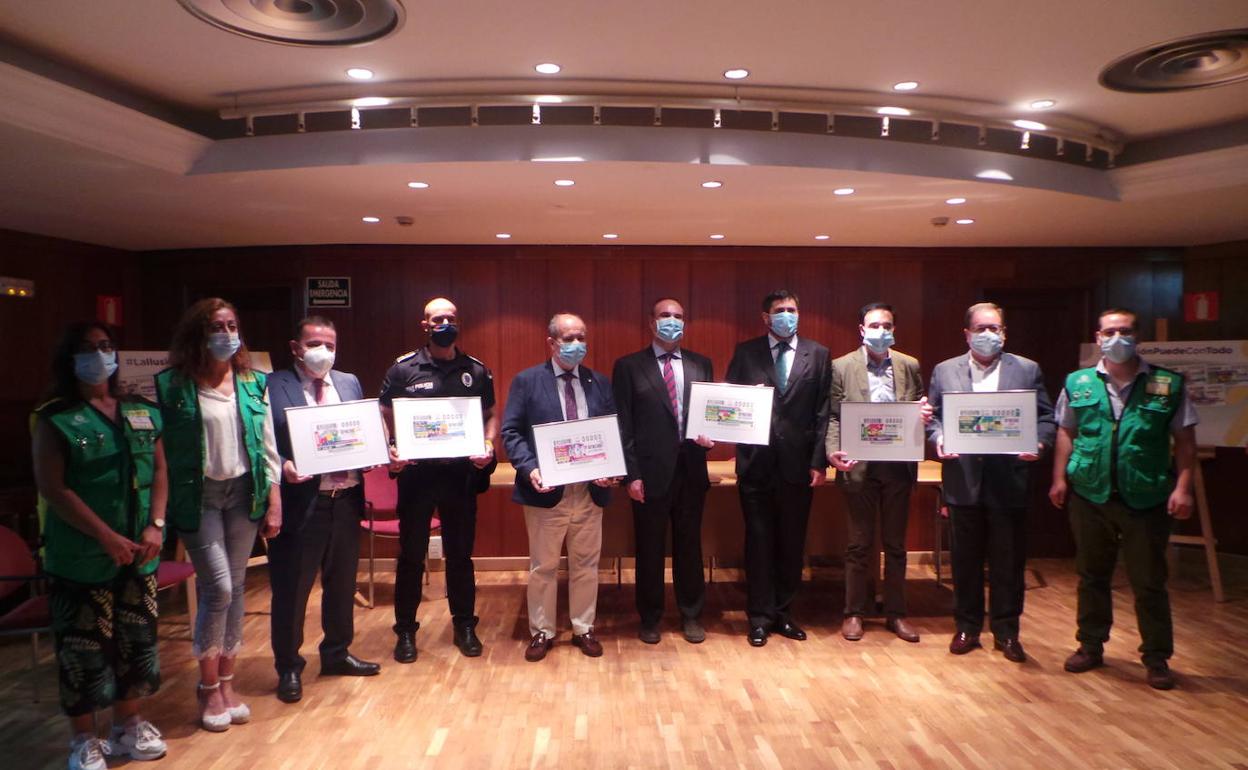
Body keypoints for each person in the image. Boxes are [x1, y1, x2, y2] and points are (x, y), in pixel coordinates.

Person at [32, 322, 169, 769]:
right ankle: (84, 739)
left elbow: (159, 470)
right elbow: (54, 488)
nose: (100, 355)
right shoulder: (55, 418)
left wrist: (156, 525)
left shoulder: (140, 410)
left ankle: (128, 726)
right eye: (89, 348)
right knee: (83, 650)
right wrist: (105, 536)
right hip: (81, 556)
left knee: (136, 643)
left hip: (141, 551)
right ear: (70, 359)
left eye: (107, 346)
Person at [1049, 308, 1197, 690]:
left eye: (1125, 331)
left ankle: (1157, 657)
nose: (1118, 339)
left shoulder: (1166, 383)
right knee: (1091, 576)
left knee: (1149, 581)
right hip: (1089, 493)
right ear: (1098, 337)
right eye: (1110, 332)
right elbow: (1066, 431)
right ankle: (1090, 645)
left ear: (1137, 336)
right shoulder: (1078, 382)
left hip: (1145, 496)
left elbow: (1184, 441)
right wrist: (1059, 478)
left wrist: (1183, 487)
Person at [155, 298, 281, 732]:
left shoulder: (252, 381)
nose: (226, 334)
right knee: (219, 587)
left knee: (237, 586)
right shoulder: (173, 385)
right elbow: (161, 453)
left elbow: (267, 445)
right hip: (200, 497)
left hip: (244, 492)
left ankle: (227, 683)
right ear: (198, 334)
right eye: (216, 326)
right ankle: (207, 687)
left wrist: (275, 500)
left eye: (231, 325)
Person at [927, 302, 1056, 662]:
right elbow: (932, 417)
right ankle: (967, 627)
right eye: (981, 328)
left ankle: (1007, 632)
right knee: (964, 562)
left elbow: (1046, 418)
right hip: (963, 479)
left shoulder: (1027, 369)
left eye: (994, 328)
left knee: (1008, 563)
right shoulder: (944, 370)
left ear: (1004, 333)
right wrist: (939, 437)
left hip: (1008, 480)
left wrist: (1039, 443)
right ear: (967, 334)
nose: (988, 335)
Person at [268, 316, 380, 704]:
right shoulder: (271, 385)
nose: (323, 352)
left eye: (330, 346)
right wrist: (284, 466)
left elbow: (361, 433)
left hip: (345, 498)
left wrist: (372, 452)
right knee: (292, 589)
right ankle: (289, 666)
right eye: (315, 344)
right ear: (295, 347)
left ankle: (336, 653)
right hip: (302, 503)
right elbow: (262, 444)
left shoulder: (348, 382)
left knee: (342, 583)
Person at [379, 297, 497, 663]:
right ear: (425, 325)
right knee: (411, 556)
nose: (444, 323)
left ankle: (464, 626)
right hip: (417, 476)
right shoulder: (404, 369)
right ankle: (406, 631)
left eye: (450, 318)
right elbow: (383, 411)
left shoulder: (475, 369)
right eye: (437, 319)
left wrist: (488, 443)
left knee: (460, 556)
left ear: (458, 322)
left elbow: (490, 414)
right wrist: (390, 448)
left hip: (459, 475)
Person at [501, 313, 618, 661]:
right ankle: (542, 631)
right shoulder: (527, 381)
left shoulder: (599, 382)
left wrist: (610, 469)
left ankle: (584, 628)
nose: (576, 344)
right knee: (544, 566)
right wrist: (529, 468)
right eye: (569, 339)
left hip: (588, 491)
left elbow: (611, 431)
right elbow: (511, 432)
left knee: (586, 564)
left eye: (581, 337)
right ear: (551, 343)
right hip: (546, 492)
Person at [726, 290, 831, 647]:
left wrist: (818, 461)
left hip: (798, 466)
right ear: (765, 317)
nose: (787, 315)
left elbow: (823, 412)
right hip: (756, 465)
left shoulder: (818, 354)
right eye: (780, 310)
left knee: (791, 543)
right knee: (758, 543)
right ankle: (759, 617)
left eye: (792, 309)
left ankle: (784, 614)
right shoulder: (746, 352)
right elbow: (728, 405)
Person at [612, 298, 715, 644]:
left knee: (690, 547)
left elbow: (710, 415)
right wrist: (631, 474)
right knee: (649, 548)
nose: (672, 321)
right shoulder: (628, 366)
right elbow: (623, 425)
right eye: (665, 315)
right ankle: (650, 617)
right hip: (649, 473)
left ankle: (691, 614)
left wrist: (713, 434)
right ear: (651, 322)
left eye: (678, 316)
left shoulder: (702, 364)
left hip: (691, 470)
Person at [827, 302, 928, 643]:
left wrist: (923, 416)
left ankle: (896, 614)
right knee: (858, 544)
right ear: (861, 329)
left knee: (896, 545)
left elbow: (919, 408)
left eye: (887, 325)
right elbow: (834, 416)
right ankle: (854, 613)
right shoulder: (841, 367)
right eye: (874, 325)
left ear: (894, 329)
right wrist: (832, 451)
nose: (881, 331)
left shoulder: (909, 365)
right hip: (858, 467)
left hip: (898, 466)